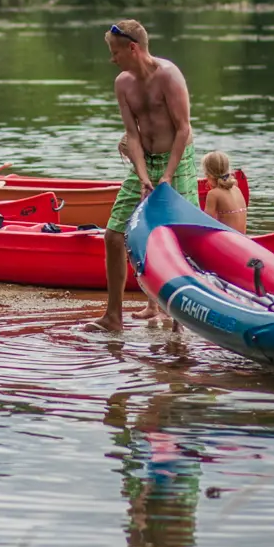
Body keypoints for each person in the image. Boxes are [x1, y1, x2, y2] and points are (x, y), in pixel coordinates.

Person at [94, 19, 196, 332]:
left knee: (178, 237)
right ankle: (113, 317)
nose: (112, 59)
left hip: (176, 160)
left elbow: (183, 128)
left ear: (133, 48)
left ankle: (179, 322)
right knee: (113, 235)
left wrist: (167, 175)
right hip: (145, 159)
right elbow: (131, 135)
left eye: (115, 52)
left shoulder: (168, 75)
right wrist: (142, 176)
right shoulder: (122, 83)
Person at [200, 150, 246, 232]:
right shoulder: (236, 189)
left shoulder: (213, 194)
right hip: (243, 239)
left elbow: (205, 224)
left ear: (208, 175)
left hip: (229, 241)